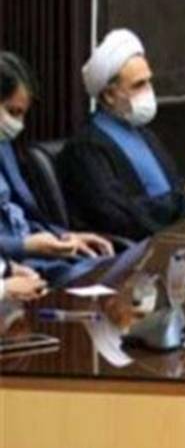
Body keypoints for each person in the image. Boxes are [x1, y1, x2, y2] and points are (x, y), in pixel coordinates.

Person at [58, 29, 185, 240]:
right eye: (139, 85)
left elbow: (168, 192)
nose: (149, 91)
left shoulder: (143, 133)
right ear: (110, 95)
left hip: (171, 238)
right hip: (136, 251)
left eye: (149, 82)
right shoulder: (86, 147)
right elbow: (118, 217)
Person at [0, 52, 115, 286]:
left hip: (38, 255)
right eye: (12, 112)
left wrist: (63, 236)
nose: (19, 124)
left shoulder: (4, 146)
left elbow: (22, 214)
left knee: (116, 271)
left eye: (22, 114)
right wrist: (25, 246)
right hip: (14, 269)